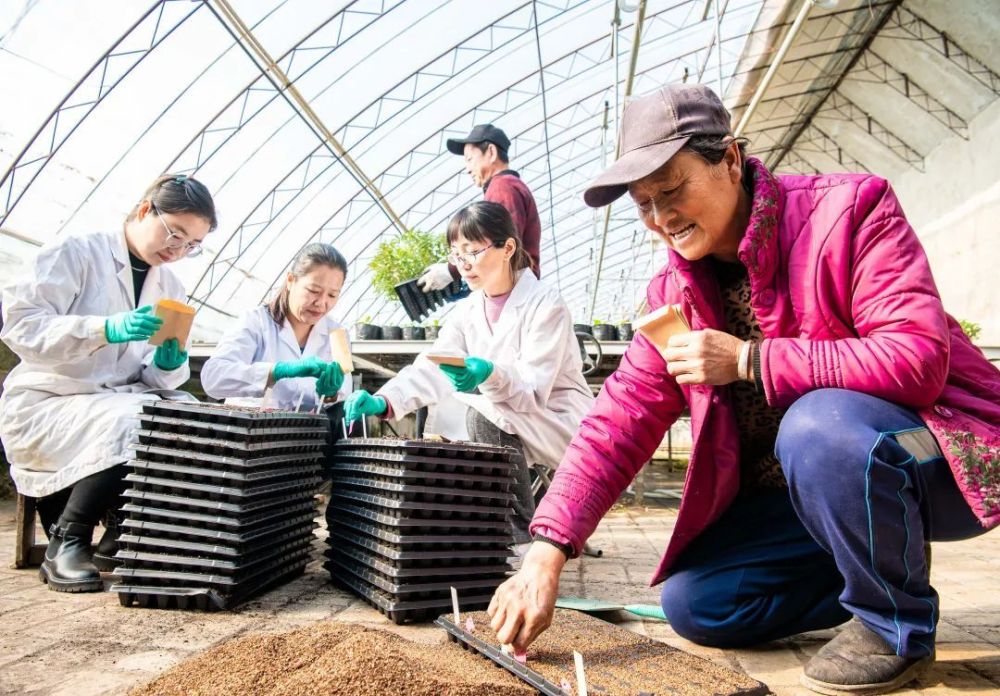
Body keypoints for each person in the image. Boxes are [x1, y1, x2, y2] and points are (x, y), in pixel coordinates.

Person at [486, 83, 1000, 695]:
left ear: (730, 159)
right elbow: (617, 423)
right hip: (823, 491)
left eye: (672, 190)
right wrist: (547, 553)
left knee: (817, 423)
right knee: (699, 604)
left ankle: (894, 625)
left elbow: (916, 359)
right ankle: (885, 564)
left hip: (942, 457)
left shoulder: (850, 212)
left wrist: (752, 360)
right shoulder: (674, 295)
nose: (660, 218)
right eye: (643, 203)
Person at [0, 173, 217, 592]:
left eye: (192, 245)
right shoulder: (76, 252)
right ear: (142, 210)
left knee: (188, 412)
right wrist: (104, 329)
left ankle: (123, 533)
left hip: (114, 400)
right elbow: (21, 328)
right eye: (175, 233)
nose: (179, 249)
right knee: (137, 418)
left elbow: (149, 374)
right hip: (50, 399)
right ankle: (67, 538)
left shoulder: (169, 284)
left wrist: (170, 363)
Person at [344, 201, 592, 547]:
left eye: (472, 252)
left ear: (507, 248)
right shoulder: (468, 310)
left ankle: (520, 533)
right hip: (510, 413)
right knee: (445, 407)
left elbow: (533, 390)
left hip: (554, 415)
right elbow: (432, 366)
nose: (464, 265)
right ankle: (479, 524)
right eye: (457, 255)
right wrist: (383, 399)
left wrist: (489, 373)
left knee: (482, 416)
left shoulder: (545, 303)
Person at [201, 242, 351, 419]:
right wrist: (276, 371)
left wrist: (331, 393)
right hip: (248, 432)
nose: (321, 302)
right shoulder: (256, 321)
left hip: (305, 439)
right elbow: (213, 378)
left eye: (332, 295)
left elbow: (343, 393)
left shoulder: (336, 334)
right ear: (290, 281)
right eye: (313, 290)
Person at [417, 124, 542, 292]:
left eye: (470, 159)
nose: (468, 169)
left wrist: (451, 270)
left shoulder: (502, 188)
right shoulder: (508, 186)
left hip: (514, 292)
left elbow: (497, 242)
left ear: (491, 152)